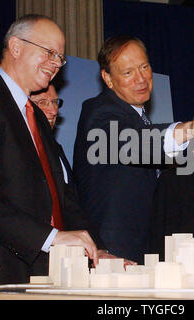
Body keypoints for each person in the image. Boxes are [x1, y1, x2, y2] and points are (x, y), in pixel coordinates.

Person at [73, 35, 194, 264]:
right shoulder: (98, 112)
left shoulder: (139, 119)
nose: (141, 79)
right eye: (128, 72)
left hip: (146, 250)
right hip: (112, 254)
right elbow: (133, 145)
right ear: (107, 78)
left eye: (144, 67)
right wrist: (189, 128)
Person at [0, 14, 103, 285]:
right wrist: (50, 238)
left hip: (47, 270)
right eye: (49, 52)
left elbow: (61, 194)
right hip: (1, 271)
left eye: (60, 57)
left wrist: (93, 248)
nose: (56, 64)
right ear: (15, 47)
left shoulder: (36, 116)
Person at [30, 84, 136, 266]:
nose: (53, 110)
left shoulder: (56, 151)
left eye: (55, 102)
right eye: (42, 103)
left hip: (59, 266)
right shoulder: (13, 150)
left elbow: (71, 209)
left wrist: (98, 251)